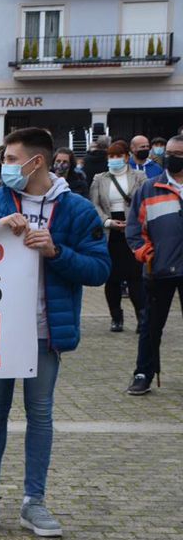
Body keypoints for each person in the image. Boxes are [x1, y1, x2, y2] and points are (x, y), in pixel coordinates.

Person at [0, 127, 109, 538]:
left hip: (44, 332)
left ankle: (33, 502)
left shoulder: (76, 210)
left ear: (37, 162)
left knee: (39, 415)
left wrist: (56, 252)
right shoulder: (0, 198)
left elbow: (99, 270)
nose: (6, 166)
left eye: (12, 159)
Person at [124, 135, 183, 396]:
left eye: (178, 153)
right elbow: (135, 229)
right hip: (159, 270)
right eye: (169, 153)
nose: (172, 157)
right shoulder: (149, 188)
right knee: (150, 326)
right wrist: (145, 254)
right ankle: (142, 373)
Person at [88, 141, 147, 335]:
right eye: (111, 157)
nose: (114, 160)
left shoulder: (139, 176)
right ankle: (116, 317)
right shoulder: (100, 178)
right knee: (112, 277)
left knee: (135, 277)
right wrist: (107, 221)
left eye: (118, 156)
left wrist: (132, 223)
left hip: (133, 228)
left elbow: (144, 202)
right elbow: (94, 205)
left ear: (126, 157)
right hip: (110, 230)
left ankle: (142, 316)